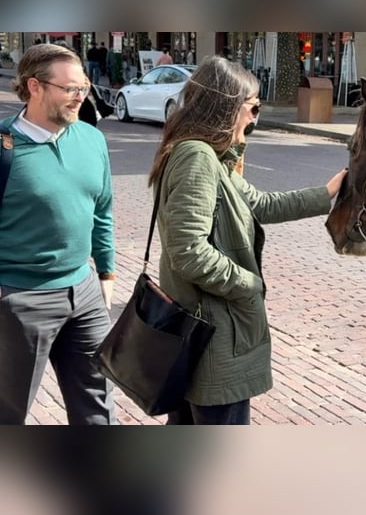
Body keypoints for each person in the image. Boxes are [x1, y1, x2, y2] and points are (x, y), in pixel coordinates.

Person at [147, 56, 347, 425]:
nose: (255, 118)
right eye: (253, 107)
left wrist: (327, 193)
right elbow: (189, 251)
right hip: (213, 336)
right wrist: (249, 284)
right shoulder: (198, 158)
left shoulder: (209, 157)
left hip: (202, 330)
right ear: (226, 105)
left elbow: (260, 204)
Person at [0, 43, 117, 425]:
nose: (80, 97)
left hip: (83, 293)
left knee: (97, 404)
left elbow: (102, 210)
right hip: (20, 298)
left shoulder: (91, 139)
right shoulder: (5, 147)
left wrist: (106, 273)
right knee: (9, 410)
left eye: (83, 87)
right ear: (35, 87)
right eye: (70, 89)